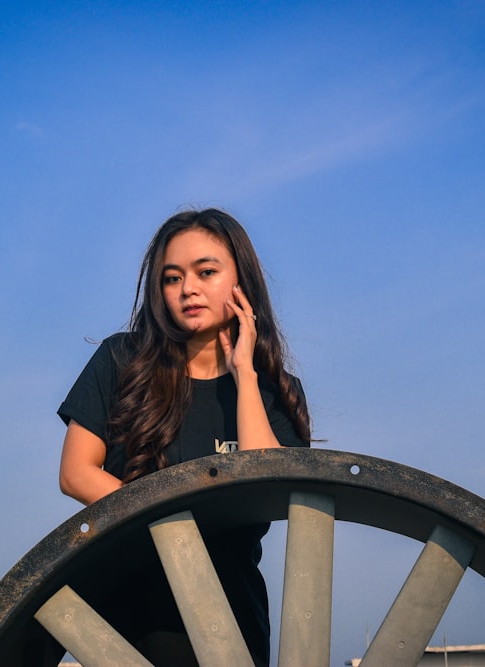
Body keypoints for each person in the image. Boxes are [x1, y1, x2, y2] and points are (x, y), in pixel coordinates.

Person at [57, 208, 311, 666]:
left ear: (242, 283)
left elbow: (268, 487)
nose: (187, 289)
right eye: (172, 278)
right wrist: (176, 537)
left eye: (206, 272)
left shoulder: (277, 391)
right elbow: (76, 473)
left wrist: (246, 376)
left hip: (231, 614)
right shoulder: (122, 360)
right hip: (133, 597)